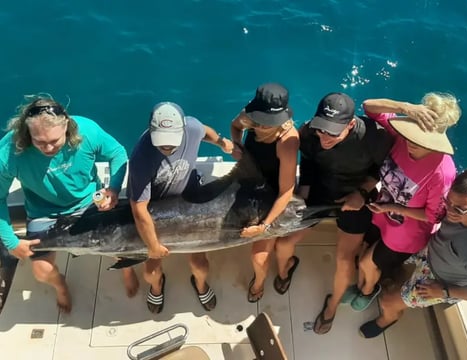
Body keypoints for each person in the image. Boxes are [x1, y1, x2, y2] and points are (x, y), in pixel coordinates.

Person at [0, 96, 128, 313]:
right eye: (39, 142)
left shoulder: (87, 131)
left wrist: (113, 188)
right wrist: (11, 241)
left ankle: (126, 270)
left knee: (123, 249)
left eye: (54, 141)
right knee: (41, 272)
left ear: (66, 125)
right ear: (26, 132)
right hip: (44, 213)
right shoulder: (9, 152)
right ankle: (60, 285)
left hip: (89, 203)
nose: (48, 148)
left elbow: (118, 153)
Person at [284, 93, 393, 335]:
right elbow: (309, 164)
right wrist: (303, 196)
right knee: (285, 242)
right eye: (321, 129)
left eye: (333, 132)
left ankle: (332, 306)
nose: (324, 137)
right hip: (321, 191)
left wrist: (362, 193)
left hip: (356, 195)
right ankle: (286, 268)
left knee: (345, 261)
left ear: (351, 124)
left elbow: (381, 170)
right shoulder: (310, 132)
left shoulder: (376, 137)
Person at [360, 167, 467, 338]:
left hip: (441, 281)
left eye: (459, 209)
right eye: (448, 201)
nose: (449, 211)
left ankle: (388, 318)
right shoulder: (465, 202)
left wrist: (444, 291)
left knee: (387, 301)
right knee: (386, 258)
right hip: (432, 249)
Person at [351, 93, 461, 313]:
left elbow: (433, 216)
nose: (410, 143)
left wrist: (393, 208)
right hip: (381, 214)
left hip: (406, 234)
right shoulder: (403, 137)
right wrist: (405, 106)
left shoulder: (442, 173)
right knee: (362, 251)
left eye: (419, 141)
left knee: (366, 263)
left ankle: (366, 291)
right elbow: (368, 106)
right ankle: (363, 285)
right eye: (411, 135)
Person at [127, 101, 233, 314]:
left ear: (183, 129)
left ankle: (200, 284)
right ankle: (157, 288)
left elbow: (205, 132)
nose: (167, 148)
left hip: (190, 198)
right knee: (151, 273)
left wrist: (222, 143)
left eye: (171, 143)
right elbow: (139, 209)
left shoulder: (192, 126)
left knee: (200, 265)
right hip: (157, 210)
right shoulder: (140, 157)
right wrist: (154, 246)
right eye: (161, 144)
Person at [230, 83, 299, 303]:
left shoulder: (288, 141)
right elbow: (235, 126)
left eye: (268, 123)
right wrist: (237, 144)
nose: (261, 125)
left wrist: (264, 226)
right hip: (249, 179)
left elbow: (286, 191)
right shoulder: (247, 116)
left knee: (258, 259)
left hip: (273, 193)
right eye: (259, 120)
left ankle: (259, 282)